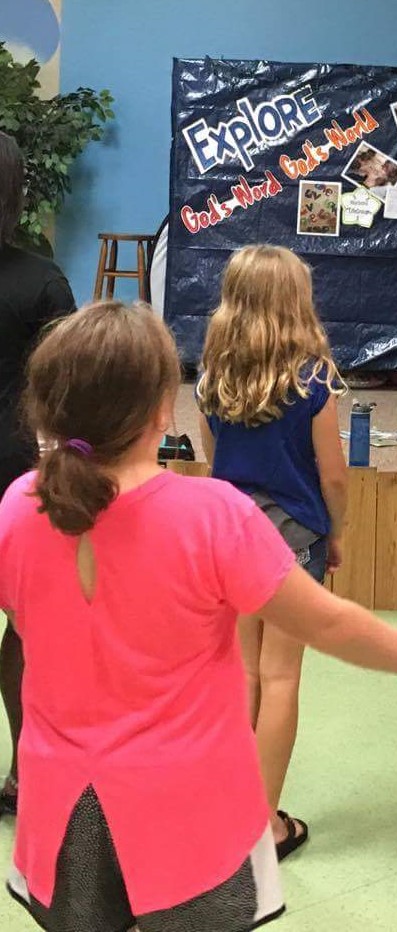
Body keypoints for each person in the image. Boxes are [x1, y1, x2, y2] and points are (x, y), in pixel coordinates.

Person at [0, 300, 397, 932]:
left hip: (62, 804)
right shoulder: (211, 516)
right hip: (189, 811)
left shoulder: (19, 509)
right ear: (164, 410)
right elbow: (324, 622)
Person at [197, 244, 349, 861]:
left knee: (244, 675)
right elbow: (333, 476)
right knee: (283, 676)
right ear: (297, 303)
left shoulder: (211, 378)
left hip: (229, 537)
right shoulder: (315, 382)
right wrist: (336, 533)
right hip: (292, 543)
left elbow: (213, 461)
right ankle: (264, 825)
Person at [0, 131, 77, 819]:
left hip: (20, 475)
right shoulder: (44, 280)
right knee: (24, 628)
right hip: (20, 479)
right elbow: (71, 388)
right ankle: (27, 776)